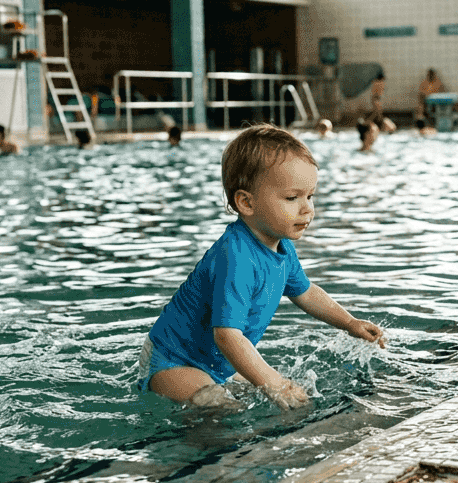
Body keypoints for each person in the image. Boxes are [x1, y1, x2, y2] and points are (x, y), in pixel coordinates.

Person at [140, 124, 386, 408]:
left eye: (310, 196)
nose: (307, 208)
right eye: (292, 198)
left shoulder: (280, 246)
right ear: (246, 202)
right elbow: (227, 335)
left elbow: (305, 293)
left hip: (215, 362)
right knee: (222, 407)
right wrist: (276, 384)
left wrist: (349, 323)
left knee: (280, 394)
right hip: (173, 360)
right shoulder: (237, 256)